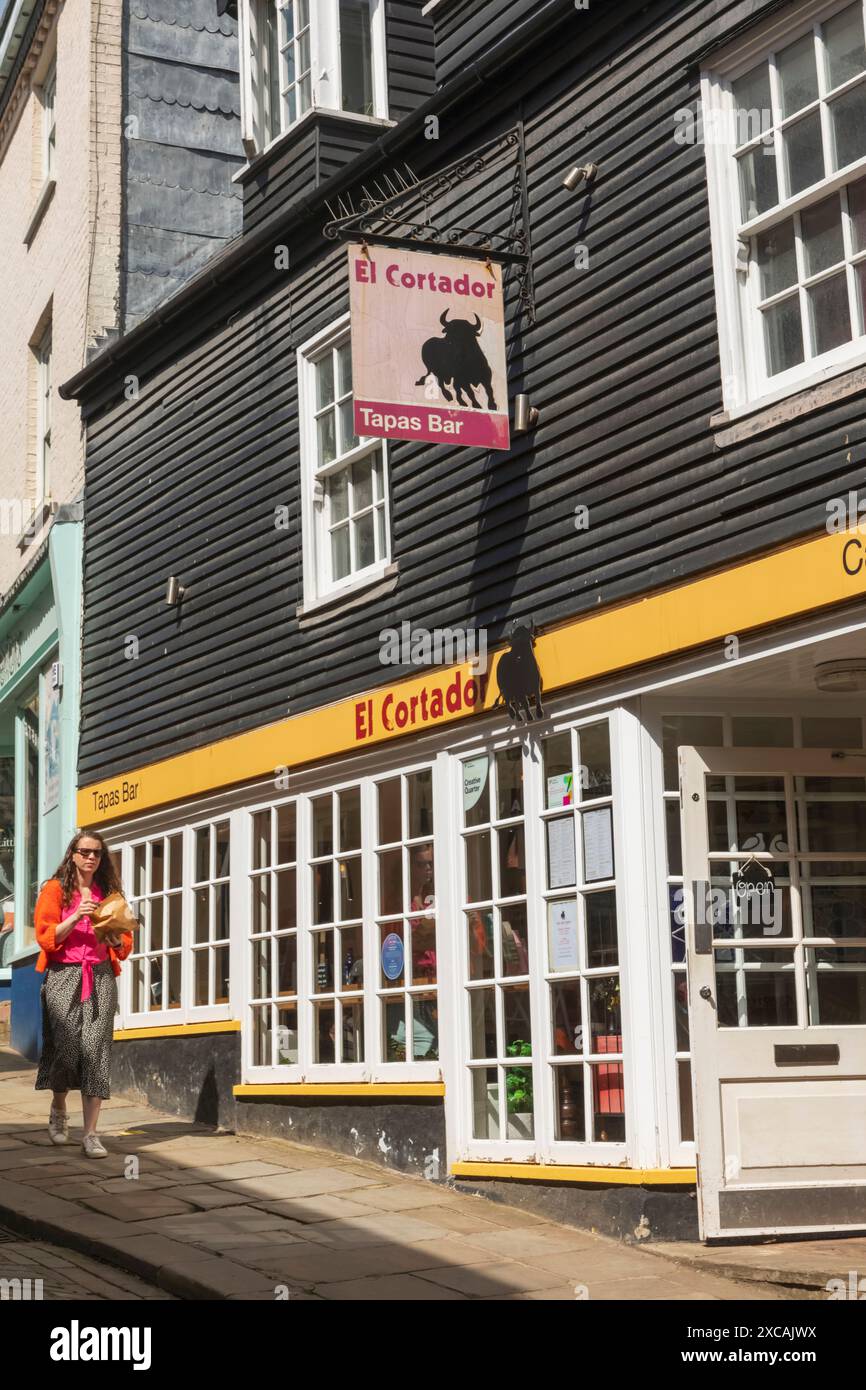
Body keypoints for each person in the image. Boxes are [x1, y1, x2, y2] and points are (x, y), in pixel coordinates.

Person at [33, 830, 133, 1158]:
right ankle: (59, 1106)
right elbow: (45, 938)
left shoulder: (110, 894)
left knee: (95, 1050)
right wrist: (77, 915)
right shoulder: (54, 890)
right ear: (73, 854)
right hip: (63, 975)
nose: (91, 857)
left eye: (97, 853)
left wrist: (114, 939)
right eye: (85, 851)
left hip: (101, 976)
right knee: (66, 1048)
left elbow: (125, 944)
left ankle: (90, 1133)